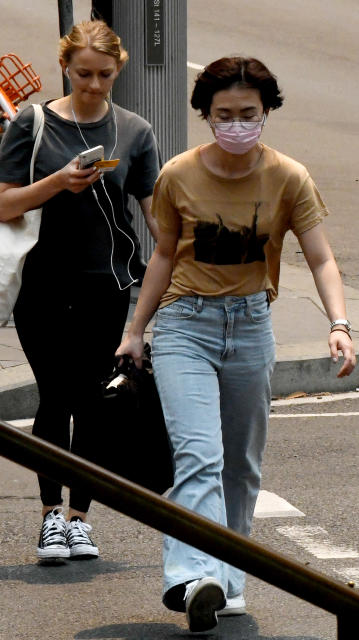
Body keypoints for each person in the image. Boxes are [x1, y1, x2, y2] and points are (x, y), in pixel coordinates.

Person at [115, 56, 356, 633]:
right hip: (184, 325)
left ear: (267, 112)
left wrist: (340, 324)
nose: (237, 124)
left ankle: (230, 577)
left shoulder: (288, 177)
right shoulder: (177, 175)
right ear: (206, 115)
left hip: (251, 325)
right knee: (199, 456)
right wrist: (134, 331)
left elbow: (320, 256)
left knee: (242, 467)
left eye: (249, 113)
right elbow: (165, 256)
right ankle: (190, 579)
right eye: (224, 114)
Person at [0, 20, 160, 565]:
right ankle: (50, 518)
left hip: (105, 286)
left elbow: (153, 212)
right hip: (40, 286)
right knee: (54, 394)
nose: (93, 85)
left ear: (120, 69)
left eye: (105, 75)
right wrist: (57, 182)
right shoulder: (33, 122)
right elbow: (3, 203)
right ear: (65, 66)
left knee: (91, 399)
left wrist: (178, 274)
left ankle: (79, 519)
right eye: (83, 73)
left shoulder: (135, 131)